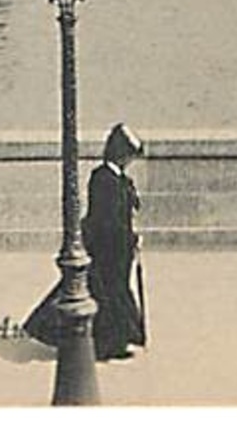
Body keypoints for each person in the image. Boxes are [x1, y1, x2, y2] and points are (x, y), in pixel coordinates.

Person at [23, 123, 148, 361]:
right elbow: (103, 218)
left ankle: (116, 341)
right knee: (104, 294)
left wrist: (132, 238)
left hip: (120, 249)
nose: (129, 161)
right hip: (104, 248)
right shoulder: (102, 177)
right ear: (119, 152)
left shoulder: (121, 179)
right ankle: (106, 344)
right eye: (128, 155)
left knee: (116, 292)